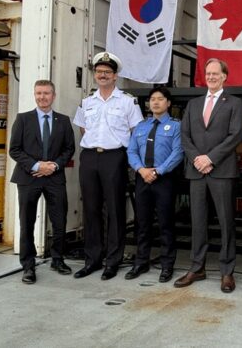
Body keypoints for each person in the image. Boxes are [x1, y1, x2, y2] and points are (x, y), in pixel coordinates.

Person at [174, 58, 242, 293]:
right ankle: (197, 267)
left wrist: (210, 158)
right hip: (197, 171)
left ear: (224, 76)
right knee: (197, 222)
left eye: (216, 73)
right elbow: (185, 136)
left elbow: (235, 135)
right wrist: (198, 159)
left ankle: (227, 272)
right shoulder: (193, 104)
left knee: (226, 222)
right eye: (208, 73)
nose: (212, 77)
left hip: (221, 171)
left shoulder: (234, 103)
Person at [73, 52, 144, 280]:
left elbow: (136, 130)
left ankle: (113, 261)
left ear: (115, 76)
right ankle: (92, 260)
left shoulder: (127, 101)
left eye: (107, 72)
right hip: (89, 157)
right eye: (99, 72)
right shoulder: (87, 101)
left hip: (115, 157)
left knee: (115, 209)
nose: (102, 75)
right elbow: (83, 128)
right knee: (91, 209)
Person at [9, 80, 75, 284]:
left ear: (53, 96)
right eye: (38, 93)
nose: (42, 97)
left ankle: (58, 259)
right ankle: (28, 266)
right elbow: (14, 149)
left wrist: (54, 166)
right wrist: (37, 166)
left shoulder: (63, 120)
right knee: (27, 222)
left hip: (55, 177)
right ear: (34, 95)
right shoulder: (23, 119)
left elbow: (69, 149)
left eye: (46, 93)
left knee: (59, 221)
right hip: (28, 177)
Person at [126, 87, 183, 283]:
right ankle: (141, 262)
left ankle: (167, 265)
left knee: (166, 223)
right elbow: (131, 151)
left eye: (160, 99)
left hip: (164, 179)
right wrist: (141, 170)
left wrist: (158, 171)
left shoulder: (176, 126)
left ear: (168, 103)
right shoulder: (141, 126)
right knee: (142, 223)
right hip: (143, 178)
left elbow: (178, 153)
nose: (156, 102)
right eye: (152, 99)